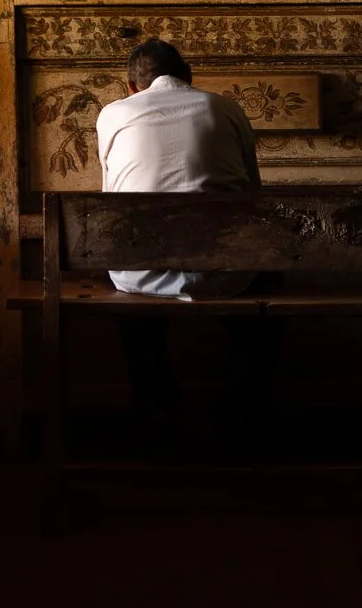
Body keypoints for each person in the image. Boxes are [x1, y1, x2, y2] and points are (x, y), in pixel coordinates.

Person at [95, 38, 272, 450]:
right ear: (189, 78)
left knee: (132, 298)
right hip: (224, 274)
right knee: (264, 302)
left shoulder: (113, 115)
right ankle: (241, 414)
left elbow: (109, 196)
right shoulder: (226, 108)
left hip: (139, 272)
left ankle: (155, 403)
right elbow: (254, 196)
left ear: (131, 87)